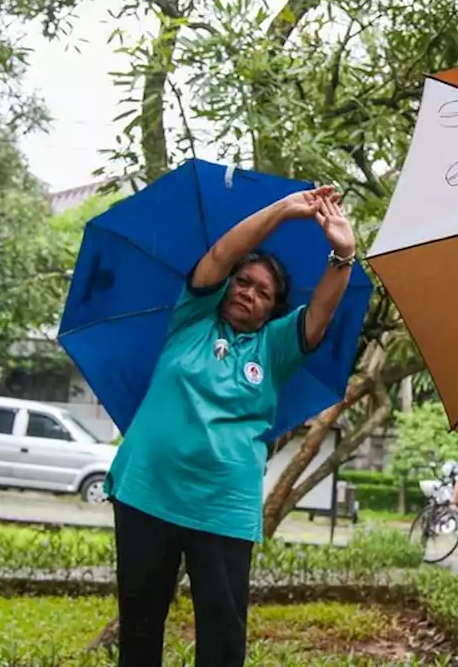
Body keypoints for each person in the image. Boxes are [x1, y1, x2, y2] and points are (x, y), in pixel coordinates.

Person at [105, 186, 358, 667]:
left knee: (222, 638)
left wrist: (343, 254)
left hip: (222, 507)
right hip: (147, 492)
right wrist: (285, 209)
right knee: (139, 627)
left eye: (263, 292)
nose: (248, 292)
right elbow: (223, 252)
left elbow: (322, 312)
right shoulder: (193, 318)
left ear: (273, 310)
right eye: (243, 282)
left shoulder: (275, 347)